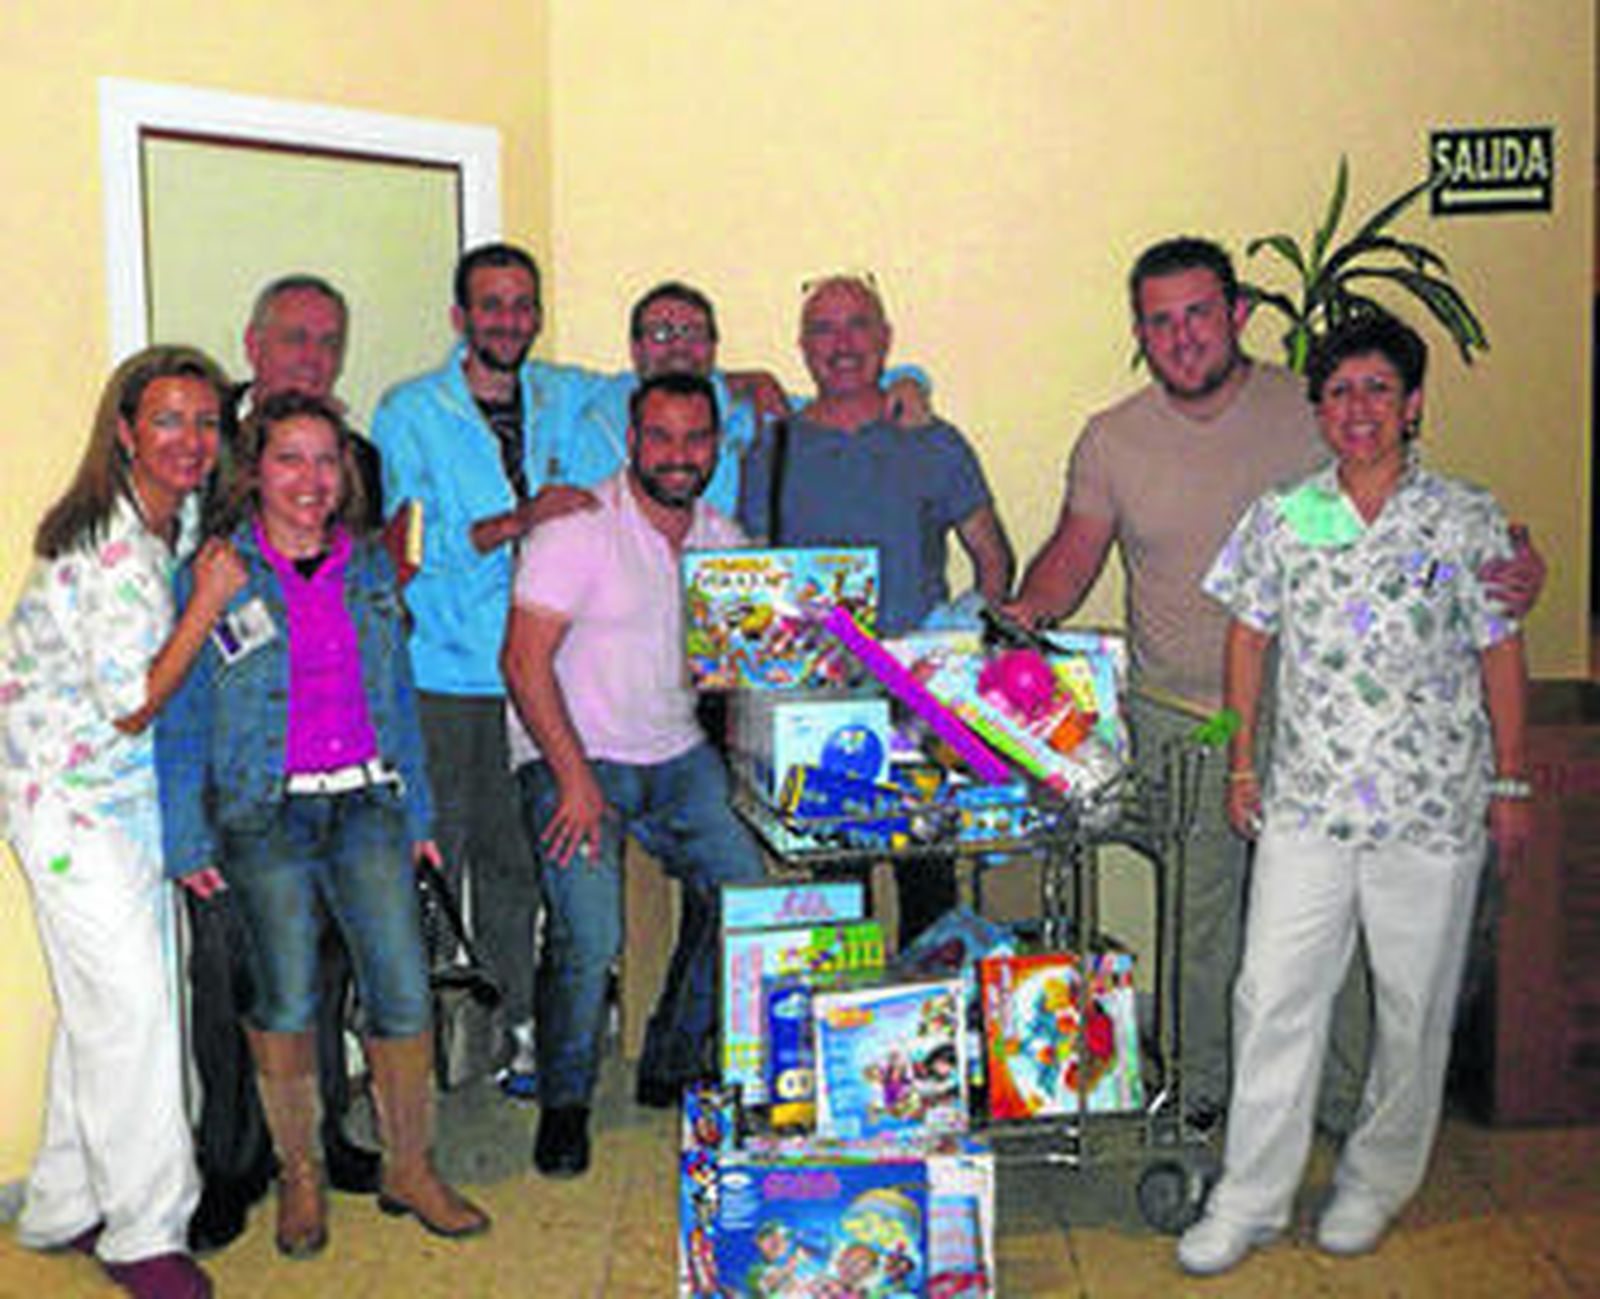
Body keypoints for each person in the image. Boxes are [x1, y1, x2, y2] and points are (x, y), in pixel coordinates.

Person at [1006, 236, 1543, 1127]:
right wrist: (1022, 615)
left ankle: (1343, 1099)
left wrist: (1517, 561)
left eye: (1199, 314)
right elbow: (1071, 557)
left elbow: (1425, 517)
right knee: (1202, 918)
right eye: (1160, 321)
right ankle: (1201, 1094)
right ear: (1140, 332)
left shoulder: (1314, 411)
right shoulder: (1113, 437)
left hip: (1324, 722)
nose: (1182, 336)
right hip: (1194, 727)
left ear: (1239, 314)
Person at [1176, 310, 1531, 1275]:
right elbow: (1249, 636)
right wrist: (1242, 759)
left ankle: (1374, 1181)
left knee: (1412, 1006)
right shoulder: (1287, 514)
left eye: (1378, 388)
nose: (1358, 408)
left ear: (1412, 404)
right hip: (1309, 803)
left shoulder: (1464, 517)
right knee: (1272, 994)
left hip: (1431, 807)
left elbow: (1501, 649)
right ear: (1319, 410)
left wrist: (1510, 775)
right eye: (1338, 391)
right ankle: (1250, 1196)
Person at [157, 392, 490, 1257]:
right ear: (254, 471)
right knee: (288, 994)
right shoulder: (218, 571)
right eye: (289, 459)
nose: (311, 479)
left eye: (326, 460)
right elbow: (183, 712)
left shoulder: (373, 566)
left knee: (403, 987)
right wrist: (186, 837)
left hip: (368, 804)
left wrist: (417, 808)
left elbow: (397, 699)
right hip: (264, 814)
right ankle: (299, 1175)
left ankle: (409, 1166)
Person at [1, 345, 247, 1299]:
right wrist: (211, 603)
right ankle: (144, 1233)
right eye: (168, 421)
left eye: (203, 422)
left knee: (104, 1011)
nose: (191, 441)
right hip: (68, 807)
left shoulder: (168, 521)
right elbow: (132, 702)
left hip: (121, 803)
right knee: (138, 1014)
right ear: (125, 431)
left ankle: (62, 1200)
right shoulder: (106, 544)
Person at [503, 372, 766, 1176]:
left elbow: (748, 672)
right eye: (661, 437)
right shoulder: (577, 530)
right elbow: (520, 663)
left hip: (677, 753)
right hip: (570, 754)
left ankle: (672, 1057)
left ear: (716, 445)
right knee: (590, 935)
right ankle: (566, 1099)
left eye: (696, 438)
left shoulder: (730, 544)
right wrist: (573, 777)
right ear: (632, 439)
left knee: (746, 895)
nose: (678, 455)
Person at [373, 242, 619, 1102]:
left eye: (523, 304)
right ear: (460, 317)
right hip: (446, 673)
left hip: (541, 677)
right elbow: (402, 545)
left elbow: (661, 382)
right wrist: (518, 520)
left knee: (520, 866)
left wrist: (780, 384)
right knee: (439, 862)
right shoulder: (409, 410)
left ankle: (517, 1031)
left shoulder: (561, 394)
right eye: (492, 304)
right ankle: (430, 1050)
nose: (509, 319)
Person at [184, 274, 384, 1256]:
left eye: (329, 342)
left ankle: (324, 1134)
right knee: (231, 971)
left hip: (337, 773)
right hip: (239, 772)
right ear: (254, 344)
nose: (312, 355)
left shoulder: (362, 461)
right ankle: (229, 1162)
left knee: (329, 959)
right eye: (295, 338)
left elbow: (364, 580)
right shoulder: (199, 448)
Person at [738, 274, 1013, 944]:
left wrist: (972, 659)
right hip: (818, 706)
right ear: (803, 348)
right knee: (838, 886)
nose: (842, 343)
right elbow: (749, 575)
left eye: (858, 324)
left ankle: (934, 1026)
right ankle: (851, 1036)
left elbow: (994, 557)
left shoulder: (935, 442)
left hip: (922, 697)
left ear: (886, 339)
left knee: (929, 881)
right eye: (824, 329)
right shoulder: (770, 450)